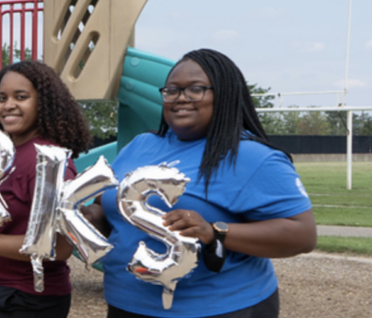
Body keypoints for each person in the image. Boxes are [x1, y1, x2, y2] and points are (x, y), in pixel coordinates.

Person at [89, 49, 316, 318]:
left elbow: (302, 235)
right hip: (126, 304)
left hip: (219, 308)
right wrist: (87, 215)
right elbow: (107, 208)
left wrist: (215, 231)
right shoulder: (140, 145)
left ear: (224, 95)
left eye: (195, 89)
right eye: (172, 90)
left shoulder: (253, 157)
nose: (180, 99)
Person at [0, 61, 93, 318]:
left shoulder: (46, 161)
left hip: (27, 298)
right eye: (2, 98)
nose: (8, 105)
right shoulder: (7, 155)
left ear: (43, 103)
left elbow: (60, 246)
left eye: (21, 97)